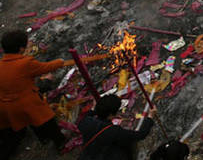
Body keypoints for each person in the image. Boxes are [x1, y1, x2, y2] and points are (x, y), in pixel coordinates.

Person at [0, 30, 68, 158]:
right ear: (21, 48)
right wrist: (60, 62)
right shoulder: (25, 63)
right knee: (47, 121)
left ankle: (43, 139)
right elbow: (46, 67)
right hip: (25, 102)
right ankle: (60, 142)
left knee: (33, 122)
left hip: (6, 105)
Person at [78, 94, 154, 160]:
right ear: (111, 115)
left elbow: (82, 121)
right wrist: (150, 117)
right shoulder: (114, 132)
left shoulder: (87, 121)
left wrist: (94, 109)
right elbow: (140, 134)